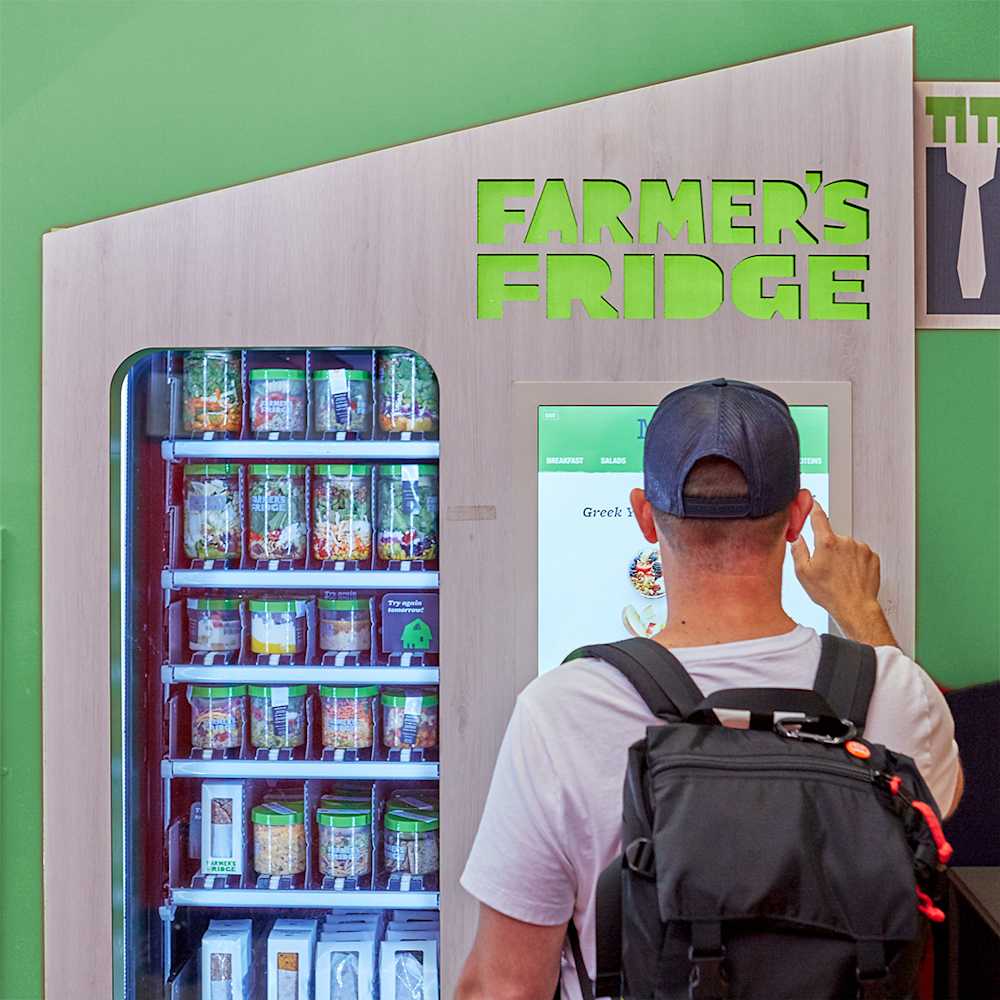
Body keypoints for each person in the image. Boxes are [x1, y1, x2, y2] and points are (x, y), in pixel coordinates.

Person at [456, 378, 963, 1000]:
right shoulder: (898, 693)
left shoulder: (562, 710)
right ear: (798, 516)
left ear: (644, 514)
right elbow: (937, 810)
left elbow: (505, 987)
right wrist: (858, 610)